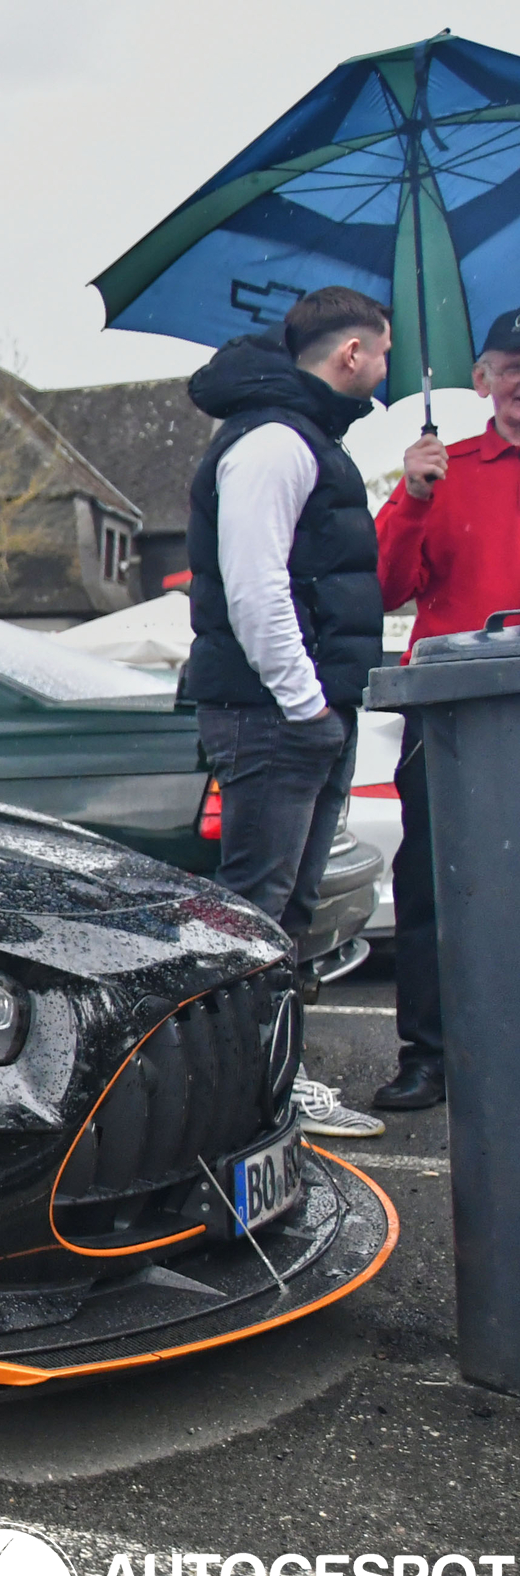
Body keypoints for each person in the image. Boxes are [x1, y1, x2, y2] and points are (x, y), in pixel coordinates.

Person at [185, 286, 389, 1137]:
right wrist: (307, 706)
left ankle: (266, 1080)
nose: (382, 371)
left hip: (300, 712)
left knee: (284, 917)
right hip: (277, 715)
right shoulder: (275, 443)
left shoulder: (298, 436)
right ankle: (235, 1097)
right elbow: (255, 587)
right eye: (379, 354)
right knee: (254, 919)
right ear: (350, 355)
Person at [369, 307, 520, 1112]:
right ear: (484, 380)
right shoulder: (445, 471)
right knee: (431, 885)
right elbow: (387, 584)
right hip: (455, 720)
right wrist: (414, 496)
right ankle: (429, 1054)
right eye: (509, 366)